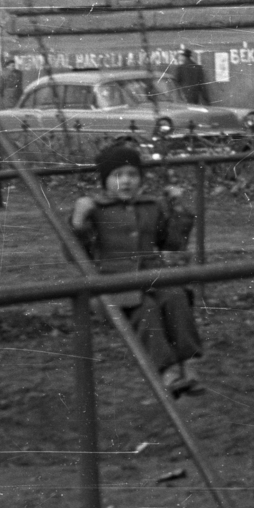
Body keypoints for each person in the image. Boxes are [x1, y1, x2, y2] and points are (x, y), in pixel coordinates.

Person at [70, 141, 202, 396]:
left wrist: (178, 209)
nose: (126, 181)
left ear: (140, 179)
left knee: (176, 298)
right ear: (105, 181)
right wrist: (77, 220)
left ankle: (190, 364)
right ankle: (167, 371)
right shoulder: (95, 210)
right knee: (147, 310)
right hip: (114, 285)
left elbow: (174, 242)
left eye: (132, 175)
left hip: (154, 278)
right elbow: (76, 253)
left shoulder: (151, 207)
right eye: (117, 175)